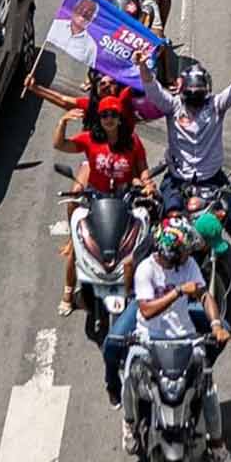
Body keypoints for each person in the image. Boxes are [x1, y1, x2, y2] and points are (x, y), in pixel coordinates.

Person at [140, 49, 231, 299]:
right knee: (166, 222)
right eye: (191, 95)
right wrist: (143, 68)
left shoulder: (216, 106)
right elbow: (152, 89)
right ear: (182, 92)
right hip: (177, 180)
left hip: (213, 180)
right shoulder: (172, 106)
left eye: (199, 95)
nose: (195, 100)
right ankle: (151, 276)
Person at [111, 219, 230, 456]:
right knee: (130, 378)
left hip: (185, 337)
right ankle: (130, 422)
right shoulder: (146, 269)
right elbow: (145, 310)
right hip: (148, 338)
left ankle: (217, 443)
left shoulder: (189, 267)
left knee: (207, 385)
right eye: (185, 251)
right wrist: (177, 292)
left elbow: (204, 295)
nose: (189, 255)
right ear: (172, 253)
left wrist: (216, 325)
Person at [53, 94, 156, 316]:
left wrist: (147, 183)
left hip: (125, 200)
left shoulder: (133, 141)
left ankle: (143, 287)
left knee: (141, 241)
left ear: (120, 118)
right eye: (104, 115)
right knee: (79, 246)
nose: (108, 119)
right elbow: (60, 144)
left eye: (113, 115)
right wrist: (62, 123)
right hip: (96, 201)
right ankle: (69, 292)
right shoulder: (90, 139)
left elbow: (142, 167)